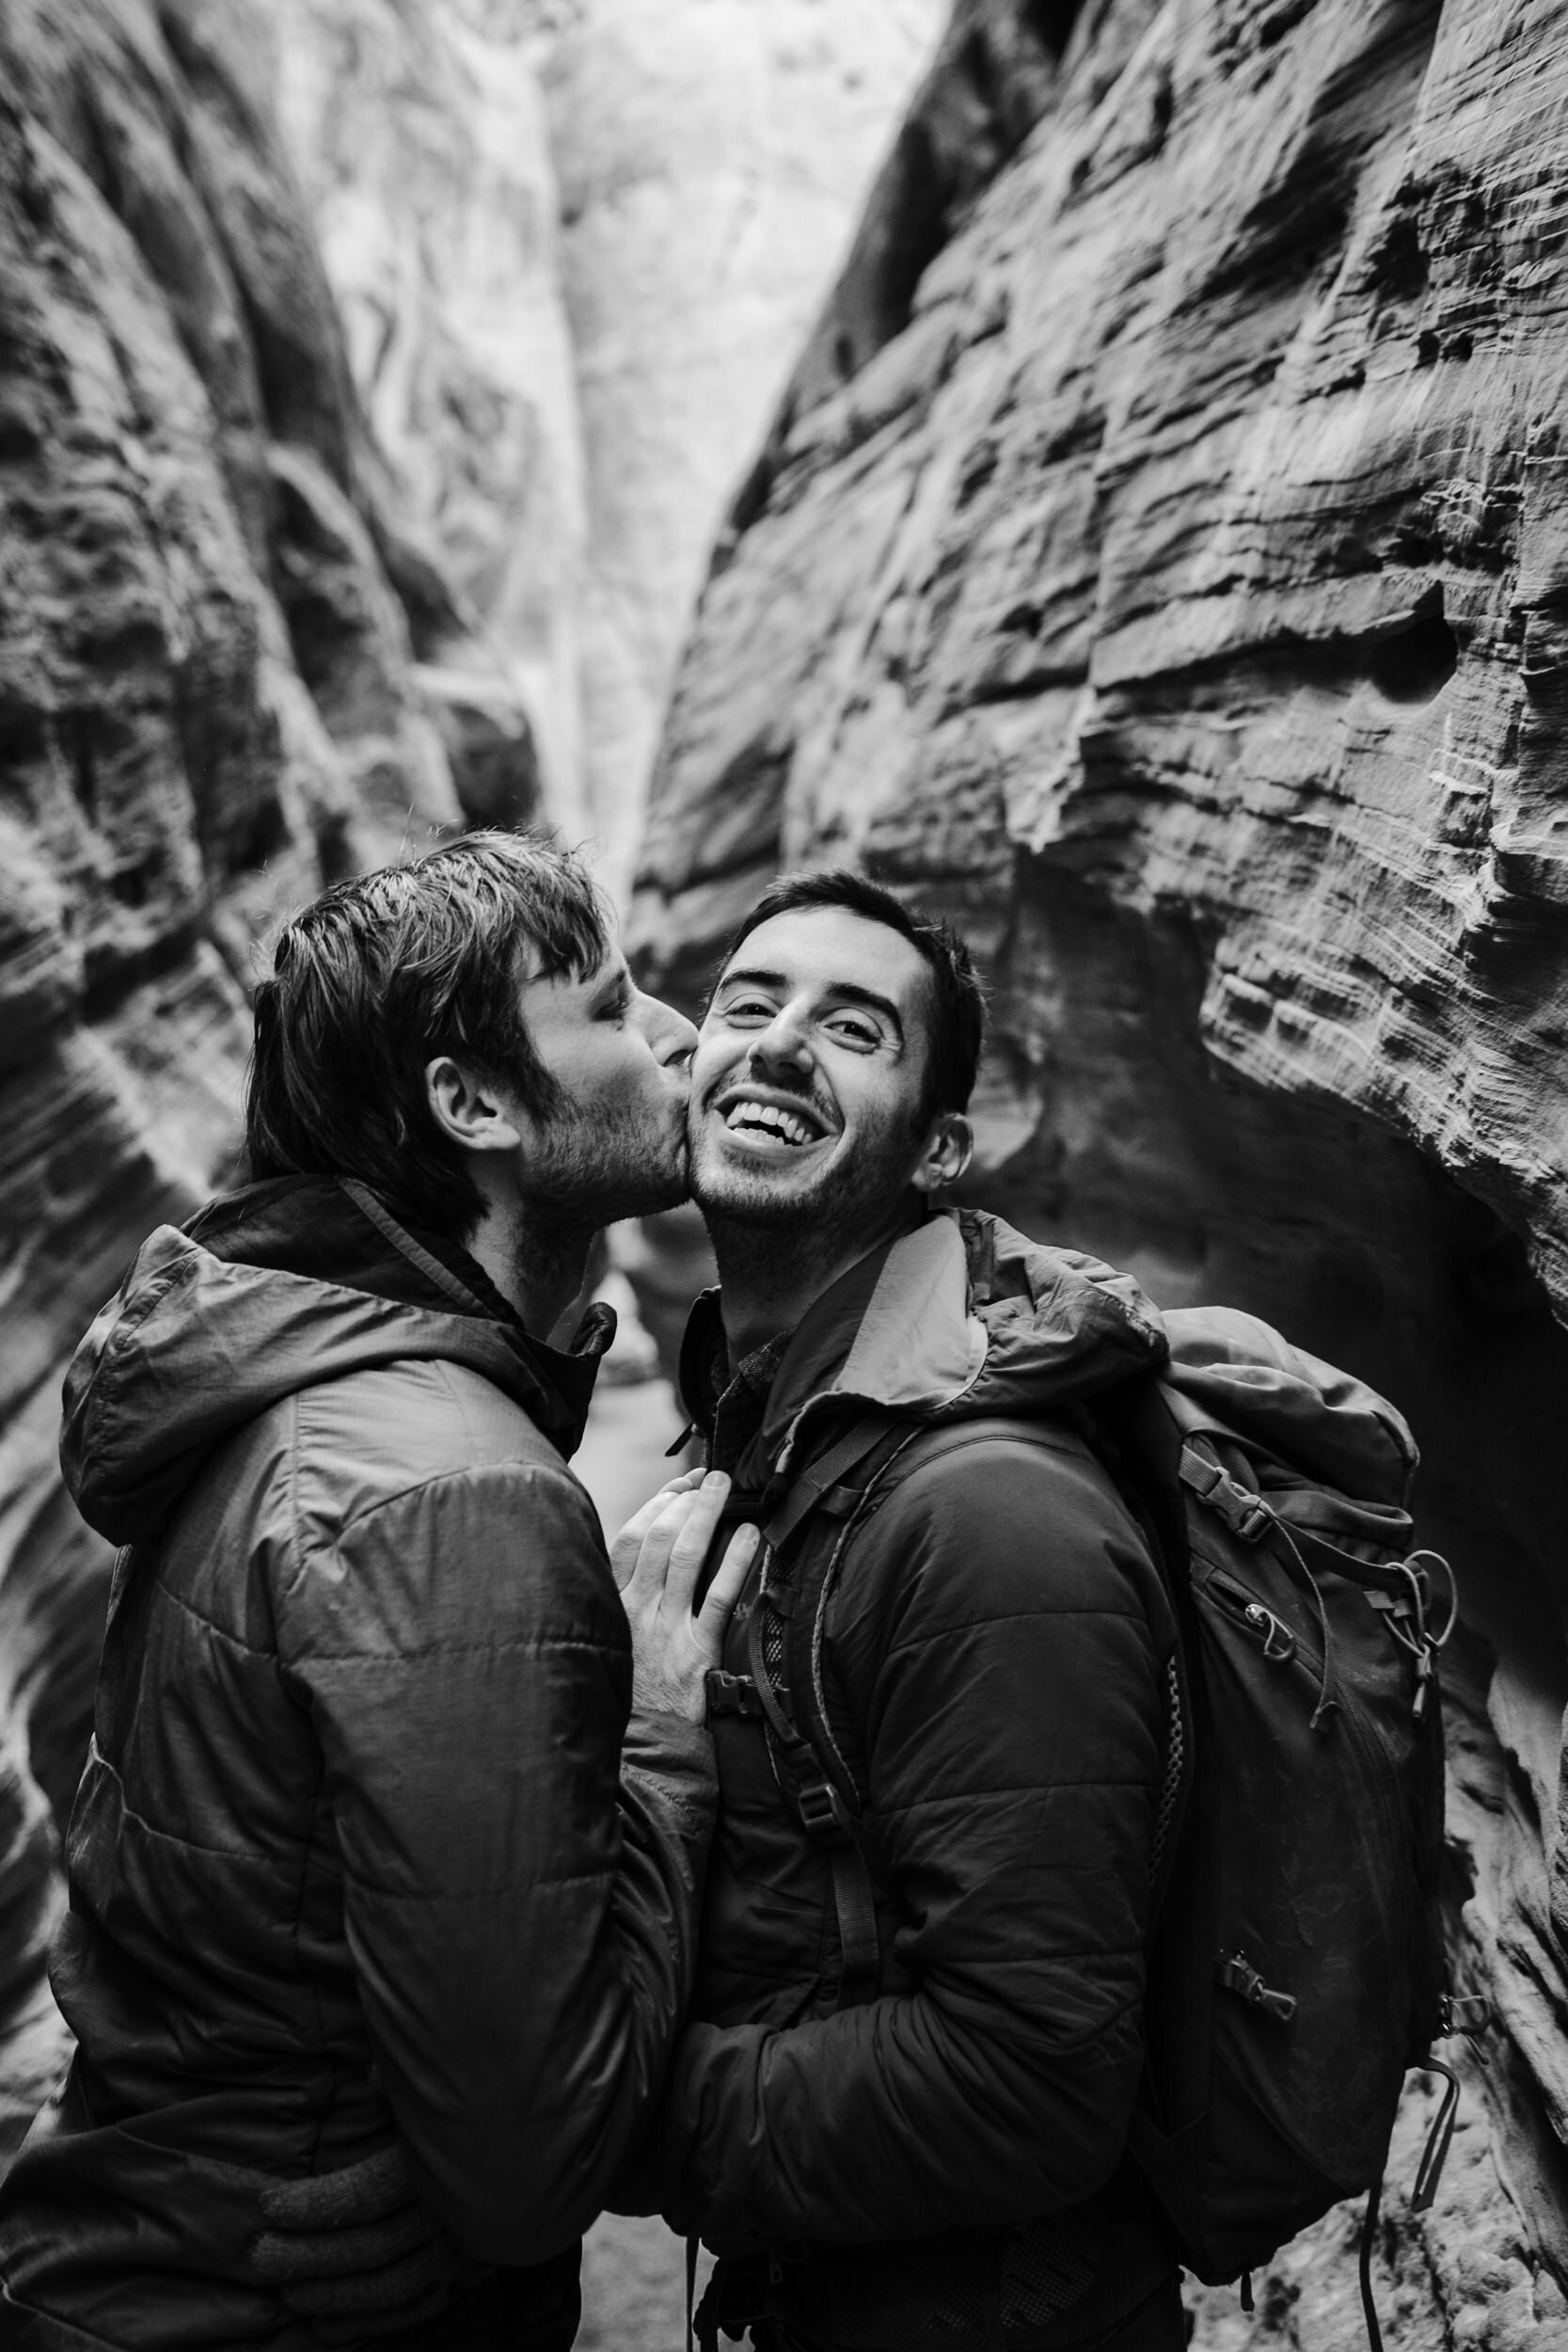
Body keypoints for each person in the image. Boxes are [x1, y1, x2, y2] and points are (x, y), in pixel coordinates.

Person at [267, 866, 1190, 2351]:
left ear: (938, 1146)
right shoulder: (778, 1420)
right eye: (749, 1004)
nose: (773, 1043)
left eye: (855, 1030)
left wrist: (598, 2111)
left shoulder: (990, 1515)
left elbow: (1033, 2077)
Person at [0, 831, 758, 2350]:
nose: (682, 1036)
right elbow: (531, 2168)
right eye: (612, 1009)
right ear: (472, 1105)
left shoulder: (310, 1392)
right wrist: (663, 1733)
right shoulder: (452, 1493)